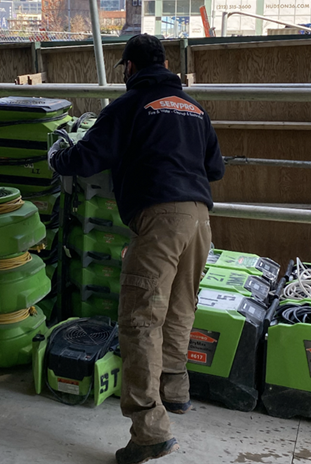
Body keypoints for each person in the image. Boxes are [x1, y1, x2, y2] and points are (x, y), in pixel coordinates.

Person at [47, 34, 225, 464]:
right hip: (200, 218)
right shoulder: (194, 109)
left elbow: (88, 157)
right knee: (181, 307)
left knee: (140, 319)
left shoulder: (128, 106)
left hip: (159, 218)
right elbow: (214, 168)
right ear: (165, 62)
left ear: (128, 68)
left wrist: (57, 156)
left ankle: (149, 431)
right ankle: (174, 391)